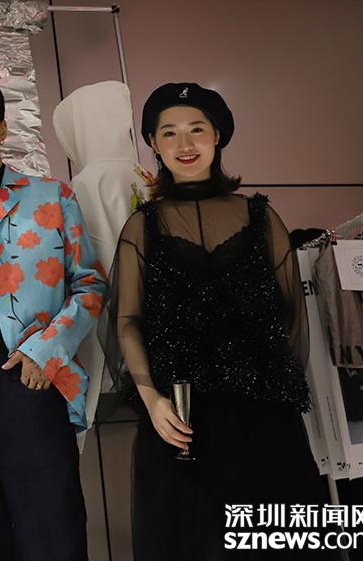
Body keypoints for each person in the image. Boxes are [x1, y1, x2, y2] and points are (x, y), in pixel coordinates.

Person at [105, 82, 329, 560]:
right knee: (192, 543)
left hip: (263, 415)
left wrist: (274, 388)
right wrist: (151, 398)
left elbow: (291, 313)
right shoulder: (142, 226)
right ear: (154, 143)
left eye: (197, 129)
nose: (184, 144)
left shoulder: (261, 216)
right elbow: (127, 321)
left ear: (218, 136)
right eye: (169, 132)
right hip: (180, 418)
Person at [0, 71, 105, 561]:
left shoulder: (52, 196)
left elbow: (91, 284)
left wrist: (46, 350)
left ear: (4, 127)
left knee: (51, 527)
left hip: (33, 379)